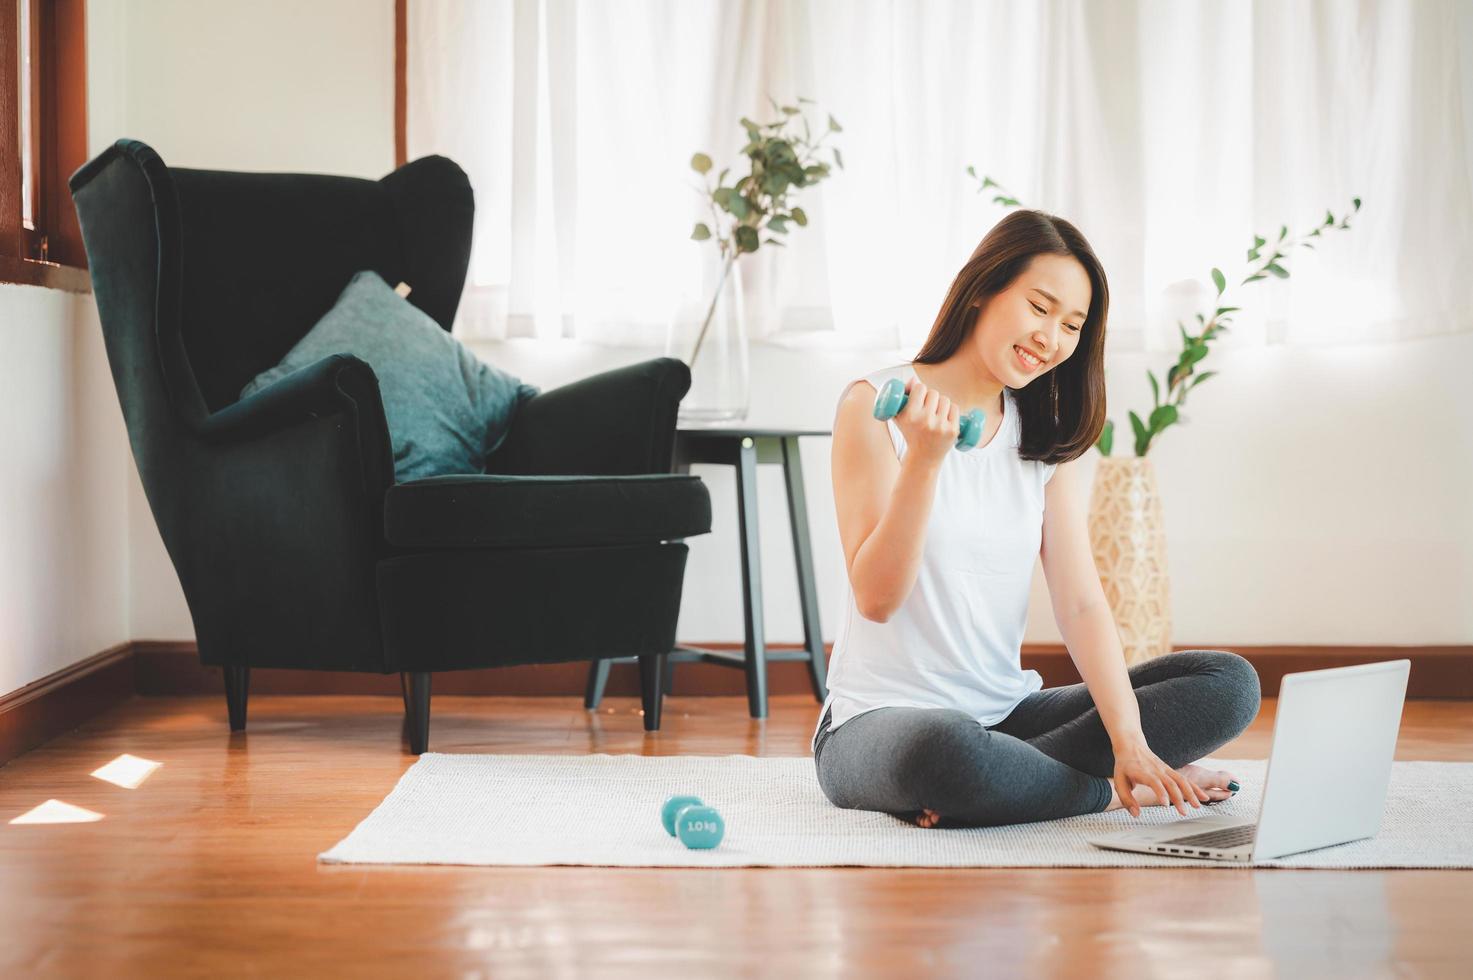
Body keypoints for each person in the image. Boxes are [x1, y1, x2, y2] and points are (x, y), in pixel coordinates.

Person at [814, 209, 1262, 829]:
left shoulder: (1042, 437)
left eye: (1072, 325)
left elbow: (1079, 604)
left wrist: (1131, 741)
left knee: (1227, 682)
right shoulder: (874, 406)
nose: (1051, 338)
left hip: (1008, 715)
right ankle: (1099, 792)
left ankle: (1014, 780)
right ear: (982, 291)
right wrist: (924, 460)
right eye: (1039, 307)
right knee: (947, 752)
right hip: (878, 724)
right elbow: (878, 599)